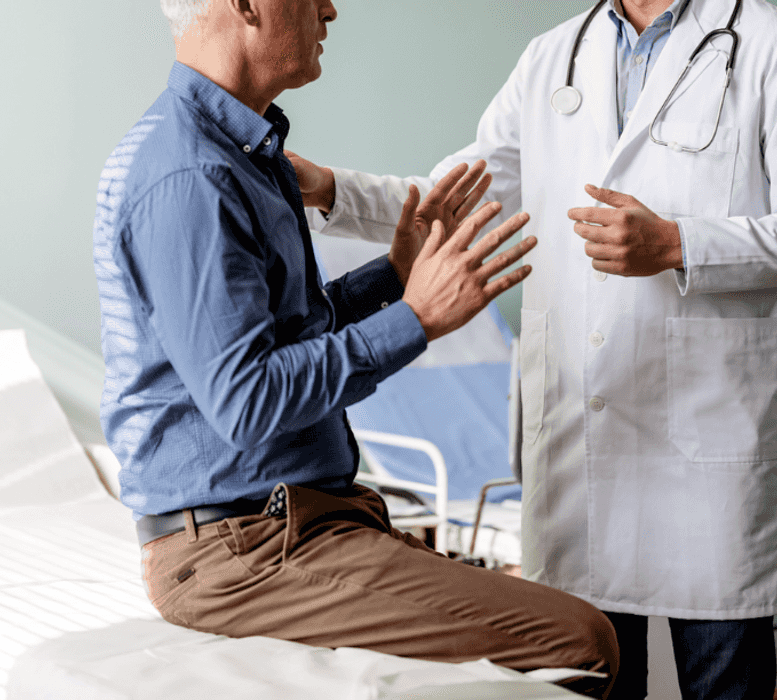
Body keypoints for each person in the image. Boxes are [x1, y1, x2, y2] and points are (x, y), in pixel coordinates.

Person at [289, 0, 777, 697]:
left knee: (723, 680)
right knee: (587, 674)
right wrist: (330, 189)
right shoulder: (553, 55)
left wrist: (678, 243)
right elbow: (453, 197)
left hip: (705, 441)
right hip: (581, 437)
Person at [93, 0, 620, 694]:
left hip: (300, 522)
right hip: (242, 550)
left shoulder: (248, 155)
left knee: (565, 621)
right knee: (579, 639)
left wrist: (395, 280)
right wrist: (417, 318)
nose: (330, 9)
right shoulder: (191, 175)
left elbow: (285, 337)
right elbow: (247, 403)